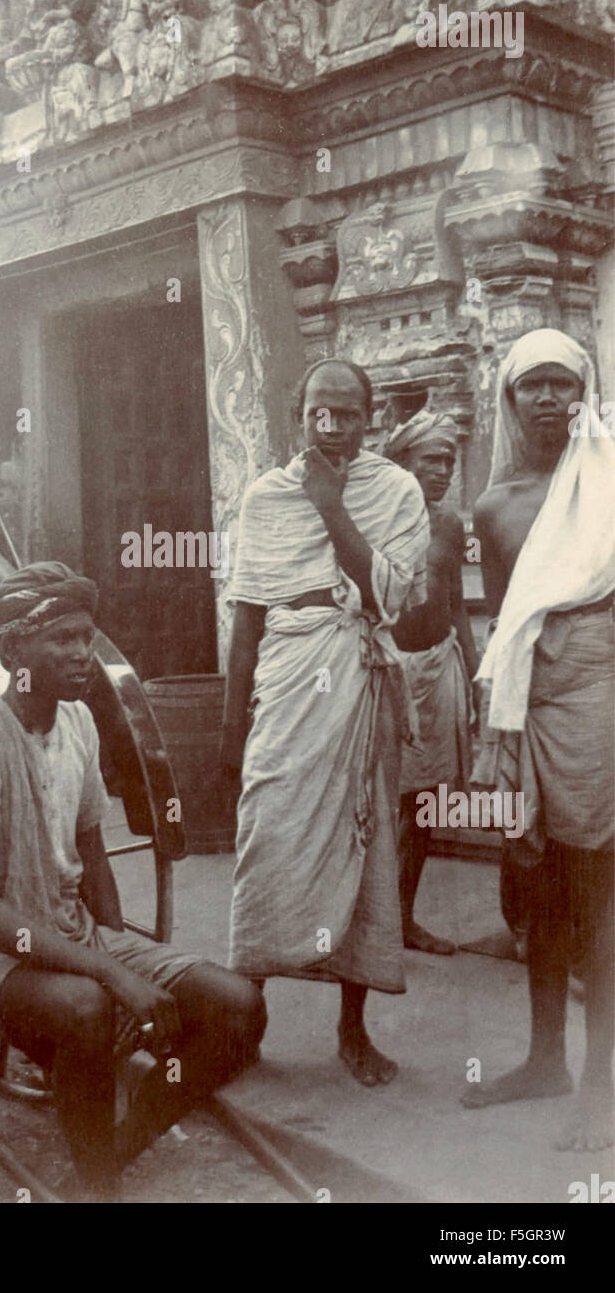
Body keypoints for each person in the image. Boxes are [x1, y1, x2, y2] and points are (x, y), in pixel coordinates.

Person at [0, 562, 266, 1198]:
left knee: (238, 1008)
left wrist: (114, 948)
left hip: (70, 932)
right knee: (88, 1007)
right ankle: (99, 1182)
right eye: (63, 640)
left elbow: (90, 847)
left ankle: (107, 1160)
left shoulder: (77, 721)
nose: (83, 655)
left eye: (86, 636)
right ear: (12, 650)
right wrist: (108, 973)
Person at [222, 359, 429, 1087]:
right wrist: (230, 730)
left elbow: (389, 599)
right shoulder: (264, 500)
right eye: (319, 411)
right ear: (298, 413)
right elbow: (247, 617)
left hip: (359, 679)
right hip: (285, 681)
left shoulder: (397, 492)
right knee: (267, 837)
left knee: (364, 846)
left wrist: (332, 505)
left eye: (347, 413)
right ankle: (246, 1014)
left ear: (369, 419)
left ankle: (352, 1028)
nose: (332, 425)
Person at [462, 328, 615, 1151]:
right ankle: (546, 1060)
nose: (549, 397)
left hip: (601, 691)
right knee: (538, 886)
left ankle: (602, 1087)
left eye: (563, 383)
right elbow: (502, 624)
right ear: (510, 399)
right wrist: (497, 730)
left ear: (583, 389)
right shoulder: (494, 505)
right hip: (526, 699)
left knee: (598, 888)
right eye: (533, 386)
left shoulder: (610, 477)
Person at [383, 411, 477, 954]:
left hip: (440, 669)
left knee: (424, 806)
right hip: (388, 673)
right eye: (431, 460)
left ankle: (403, 919)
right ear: (401, 463)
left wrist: (473, 663)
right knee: (377, 801)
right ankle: (365, 926)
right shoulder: (372, 519)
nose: (442, 470)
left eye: (449, 460)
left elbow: (457, 600)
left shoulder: (449, 524)